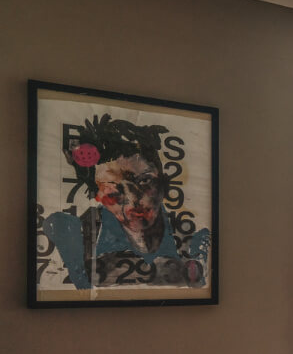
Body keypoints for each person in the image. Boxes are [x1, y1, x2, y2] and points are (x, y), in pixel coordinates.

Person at [42, 113, 211, 290]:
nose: (133, 200)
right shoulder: (78, 237)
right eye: (113, 191)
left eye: (144, 181)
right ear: (98, 196)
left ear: (162, 183)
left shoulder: (195, 239)